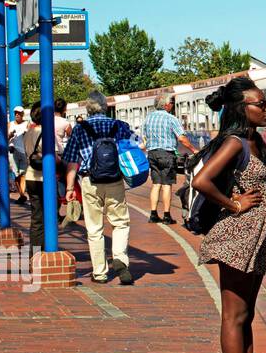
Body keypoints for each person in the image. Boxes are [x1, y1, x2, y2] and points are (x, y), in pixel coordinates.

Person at [193, 78, 266, 353]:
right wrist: (234, 205)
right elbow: (200, 181)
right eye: (260, 104)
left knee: (247, 314)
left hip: (256, 238)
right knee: (234, 315)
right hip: (234, 236)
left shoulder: (255, 141)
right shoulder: (234, 143)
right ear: (240, 108)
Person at [62, 92, 134, 285]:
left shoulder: (79, 129)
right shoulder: (119, 125)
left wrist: (70, 187)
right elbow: (136, 147)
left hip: (89, 182)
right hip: (115, 180)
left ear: (88, 108)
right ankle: (119, 258)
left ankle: (100, 273)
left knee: (94, 229)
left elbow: (71, 160)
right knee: (120, 223)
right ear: (105, 106)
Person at [142, 96, 195, 224]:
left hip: (152, 153)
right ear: (166, 105)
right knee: (166, 185)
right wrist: (194, 150)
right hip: (166, 154)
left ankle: (153, 215)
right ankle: (166, 216)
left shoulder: (148, 118)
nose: (172, 105)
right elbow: (181, 138)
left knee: (156, 184)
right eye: (171, 103)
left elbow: (144, 138)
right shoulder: (171, 118)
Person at [22, 103, 46, 251]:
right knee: (48, 214)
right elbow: (54, 156)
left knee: (36, 215)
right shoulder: (45, 133)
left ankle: (35, 250)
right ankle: (46, 248)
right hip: (44, 178)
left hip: (30, 176)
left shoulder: (28, 133)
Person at [8, 106, 29, 204]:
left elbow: (30, 136)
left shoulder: (27, 124)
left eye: (19, 113)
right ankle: (21, 194)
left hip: (24, 151)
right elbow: (5, 138)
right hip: (13, 150)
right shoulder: (10, 124)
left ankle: (22, 194)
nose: (17, 114)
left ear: (22, 114)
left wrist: (26, 134)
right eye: (15, 113)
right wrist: (10, 135)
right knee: (16, 173)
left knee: (23, 173)